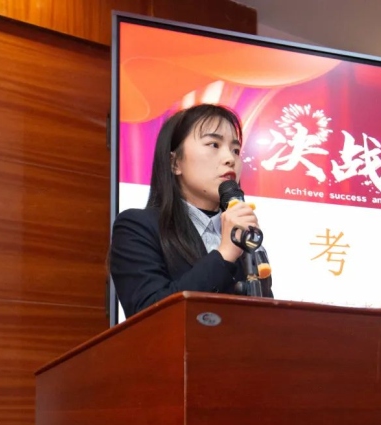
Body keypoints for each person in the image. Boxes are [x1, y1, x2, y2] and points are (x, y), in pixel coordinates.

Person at [110, 103, 273, 318]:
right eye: (214, 144)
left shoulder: (244, 237)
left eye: (235, 150)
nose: (230, 159)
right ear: (175, 163)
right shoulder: (137, 227)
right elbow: (149, 315)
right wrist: (224, 254)